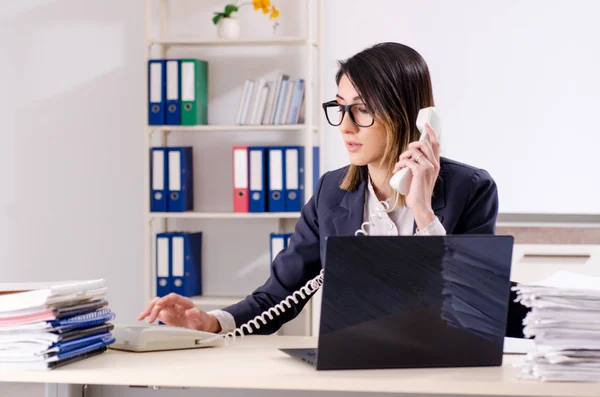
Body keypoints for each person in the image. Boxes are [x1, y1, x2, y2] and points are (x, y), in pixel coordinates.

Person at [139, 42, 528, 337]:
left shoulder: (470, 189)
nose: (345, 126)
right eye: (340, 107)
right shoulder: (331, 193)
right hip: (356, 372)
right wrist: (211, 322)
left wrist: (423, 212)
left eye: (361, 109)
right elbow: (279, 295)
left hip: (445, 369)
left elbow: (478, 305)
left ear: (408, 115)